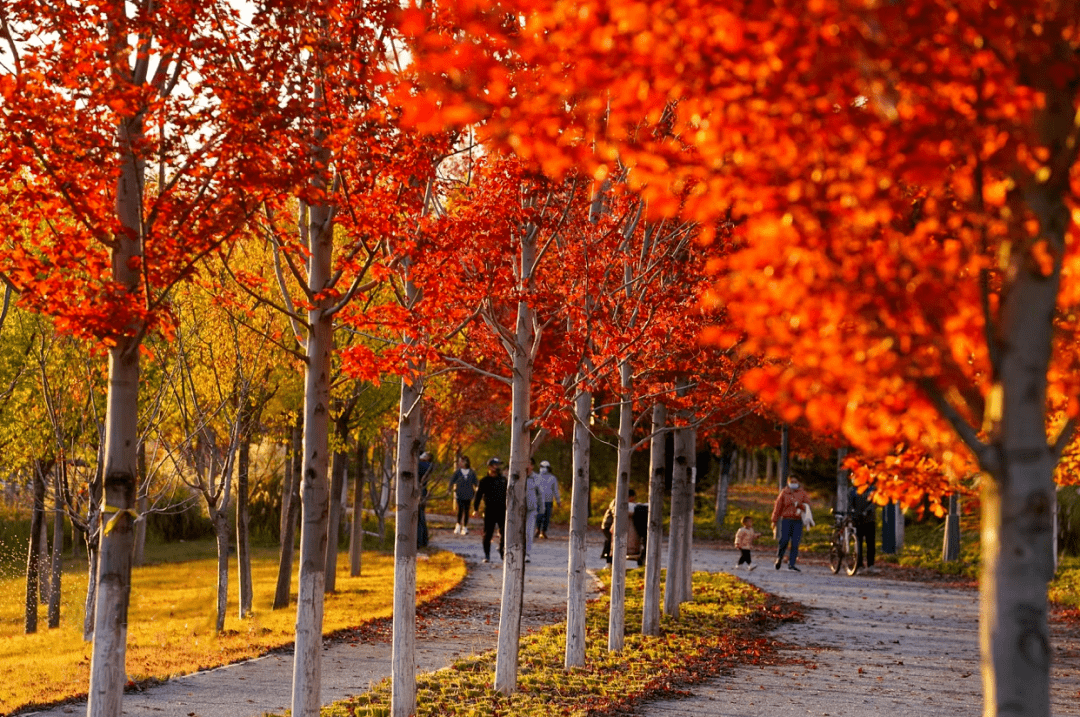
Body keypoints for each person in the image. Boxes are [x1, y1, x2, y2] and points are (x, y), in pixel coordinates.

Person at [771, 475, 811, 571]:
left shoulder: (802, 493)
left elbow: (807, 506)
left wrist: (799, 505)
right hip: (786, 520)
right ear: (788, 482)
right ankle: (779, 558)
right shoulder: (784, 493)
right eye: (792, 482)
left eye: (795, 482)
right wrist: (774, 520)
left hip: (798, 521)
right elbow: (778, 507)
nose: (794, 483)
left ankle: (791, 563)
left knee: (795, 543)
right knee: (784, 540)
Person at [472, 457, 507, 563]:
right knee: (488, 533)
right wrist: (476, 509)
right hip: (490, 510)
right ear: (490, 467)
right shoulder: (484, 481)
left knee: (504, 533)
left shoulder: (503, 480)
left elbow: (509, 494)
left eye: (498, 465)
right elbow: (478, 495)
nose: (497, 467)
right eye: (495, 465)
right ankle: (487, 555)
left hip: (502, 510)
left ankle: (502, 552)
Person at [600, 489, 636, 564]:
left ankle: (612, 561)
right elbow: (615, 511)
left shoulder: (623, 501)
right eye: (633, 498)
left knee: (613, 543)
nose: (633, 500)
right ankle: (609, 562)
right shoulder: (617, 501)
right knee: (611, 543)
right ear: (629, 497)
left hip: (613, 526)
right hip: (608, 526)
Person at [849, 483, 876, 570]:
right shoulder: (852, 490)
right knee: (858, 544)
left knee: (870, 544)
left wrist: (866, 511)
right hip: (857, 521)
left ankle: (870, 564)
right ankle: (859, 564)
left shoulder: (871, 489)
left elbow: (873, 503)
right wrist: (853, 514)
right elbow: (850, 505)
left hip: (869, 520)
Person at [449, 456, 479, 535]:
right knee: (460, 510)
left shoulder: (471, 472)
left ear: (466, 462)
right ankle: (458, 525)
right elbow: (452, 480)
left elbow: (476, 482)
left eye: (461, 461)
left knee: (466, 511)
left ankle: (465, 527)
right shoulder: (457, 472)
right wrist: (449, 489)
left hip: (469, 494)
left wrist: (478, 489)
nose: (460, 463)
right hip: (460, 493)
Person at [534, 460, 561, 539]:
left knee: (547, 517)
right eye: (541, 467)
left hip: (548, 501)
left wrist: (558, 500)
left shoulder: (552, 478)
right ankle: (538, 530)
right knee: (538, 516)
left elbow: (555, 490)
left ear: (548, 468)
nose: (542, 469)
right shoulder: (536, 477)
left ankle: (543, 531)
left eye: (544, 467)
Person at [524, 459, 543, 562]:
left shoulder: (536, 478)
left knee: (528, 532)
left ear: (532, 466)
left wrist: (542, 509)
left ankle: (527, 553)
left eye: (528, 464)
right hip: (518, 510)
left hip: (531, 510)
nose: (526, 466)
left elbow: (540, 495)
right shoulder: (518, 476)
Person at [417, 451, 433, 548]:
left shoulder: (424, 465)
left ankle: (421, 541)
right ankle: (423, 540)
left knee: (419, 517)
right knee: (420, 516)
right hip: (422, 492)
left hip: (420, 493)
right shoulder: (425, 465)